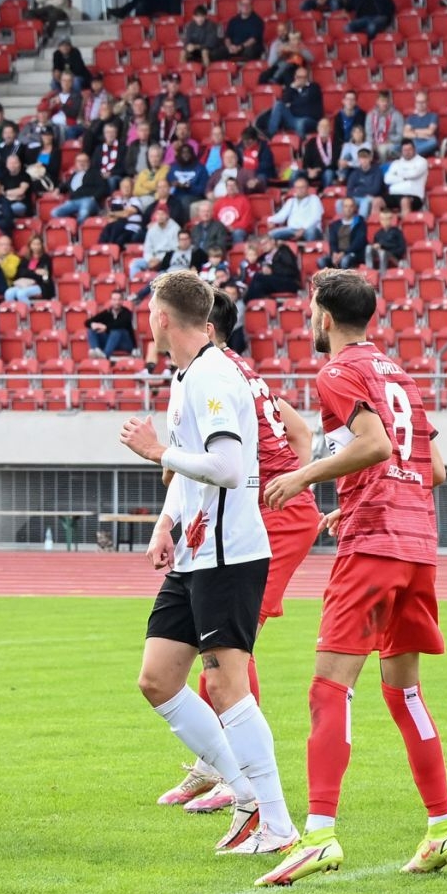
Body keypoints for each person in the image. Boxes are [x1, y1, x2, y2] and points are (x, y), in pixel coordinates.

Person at [253, 269, 447, 887]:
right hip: (416, 544)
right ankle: (443, 827)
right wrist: (356, 500)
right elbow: (433, 469)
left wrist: (303, 476)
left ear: (323, 315)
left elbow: (375, 446)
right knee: (404, 693)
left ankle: (318, 836)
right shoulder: (400, 375)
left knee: (329, 689)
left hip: (374, 547)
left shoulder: (338, 372)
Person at [120, 270, 296, 855]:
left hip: (229, 554)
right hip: (195, 552)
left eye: (149, 311)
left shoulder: (215, 375)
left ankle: (276, 823)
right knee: (157, 678)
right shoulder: (187, 375)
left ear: (162, 317)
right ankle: (244, 794)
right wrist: (166, 522)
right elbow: (191, 466)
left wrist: (156, 451)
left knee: (226, 685)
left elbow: (226, 466)